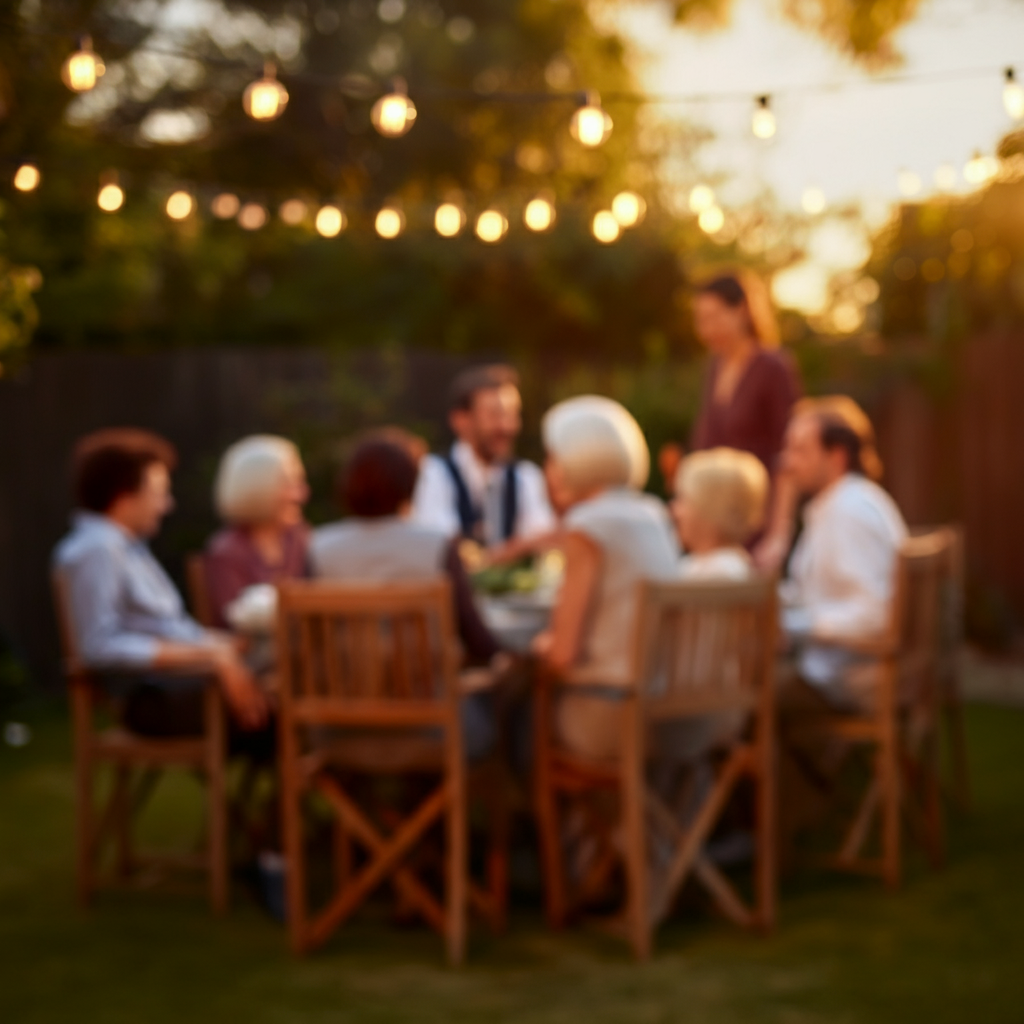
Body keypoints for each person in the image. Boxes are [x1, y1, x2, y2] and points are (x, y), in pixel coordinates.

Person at [52, 429, 269, 742]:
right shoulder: (97, 550)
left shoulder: (125, 547)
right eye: (158, 492)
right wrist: (209, 658)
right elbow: (98, 646)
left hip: (180, 685)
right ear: (123, 496)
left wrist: (221, 648)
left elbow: (165, 627)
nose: (166, 505)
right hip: (151, 698)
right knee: (286, 712)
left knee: (284, 695)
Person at [310, 430, 503, 761]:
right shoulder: (437, 546)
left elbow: (307, 642)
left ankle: (375, 809)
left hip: (337, 727)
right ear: (410, 485)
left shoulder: (319, 548)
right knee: (502, 694)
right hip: (433, 729)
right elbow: (478, 642)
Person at [535, 396, 679, 761]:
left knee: (511, 713)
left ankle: (538, 819)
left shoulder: (587, 526)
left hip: (610, 715)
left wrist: (538, 646)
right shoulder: (653, 513)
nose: (548, 471)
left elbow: (563, 655)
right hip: (665, 712)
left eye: (553, 458)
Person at [663, 272, 801, 572]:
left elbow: (789, 455)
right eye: (700, 320)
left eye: (713, 317)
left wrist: (778, 535)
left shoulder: (772, 368)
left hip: (752, 517)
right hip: (714, 521)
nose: (705, 329)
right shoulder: (714, 368)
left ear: (741, 311)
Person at [779, 399, 908, 713]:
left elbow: (875, 613)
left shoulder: (848, 513)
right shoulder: (842, 504)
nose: (787, 462)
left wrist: (795, 627)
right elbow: (815, 592)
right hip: (843, 666)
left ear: (836, 456)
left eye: (801, 450)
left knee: (750, 693)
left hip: (846, 676)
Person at [411, 364, 555, 557]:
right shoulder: (432, 472)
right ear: (460, 420)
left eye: (512, 414)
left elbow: (543, 537)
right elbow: (438, 540)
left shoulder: (526, 475)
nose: (506, 426)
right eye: (494, 415)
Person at [204, 435, 310, 629]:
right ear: (257, 489)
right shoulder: (227, 550)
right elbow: (233, 622)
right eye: (290, 484)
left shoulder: (299, 537)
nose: (302, 493)